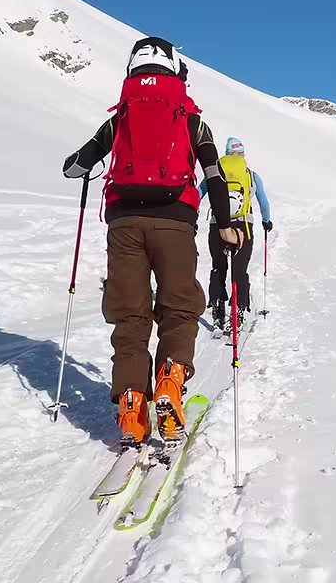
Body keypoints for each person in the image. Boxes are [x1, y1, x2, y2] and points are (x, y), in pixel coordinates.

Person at [61, 37, 234, 446]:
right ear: (176, 71)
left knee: (130, 315)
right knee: (179, 307)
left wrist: (89, 164)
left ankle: (132, 408)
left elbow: (75, 167)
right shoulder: (191, 118)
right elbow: (214, 175)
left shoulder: (120, 117)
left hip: (124, 225)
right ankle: (169, 387)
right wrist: (225, 224)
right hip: (176, 223)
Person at [206, 136, 273, 324]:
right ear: (242, 154)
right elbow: (264, 203)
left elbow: (198, 193)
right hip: (243, 226)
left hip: (217, 224)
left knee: (218, 266)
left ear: (226, 154)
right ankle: (239, 309)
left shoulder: (215, 172)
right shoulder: (250, 175)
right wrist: (266, 221)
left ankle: (217, 305)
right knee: (239, 268)